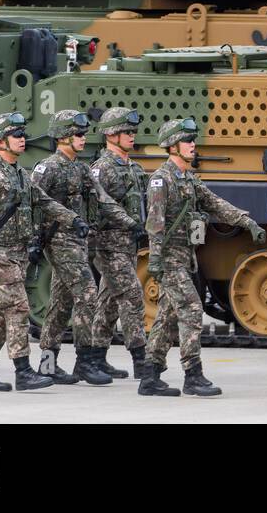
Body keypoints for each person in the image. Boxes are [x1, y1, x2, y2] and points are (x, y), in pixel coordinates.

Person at [144, 117, 266, 397]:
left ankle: (150, 376)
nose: (192, 144)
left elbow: (215, 203)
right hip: (169, 259)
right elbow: (155, 223)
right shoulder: (161, 180)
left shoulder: (188, 178)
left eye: (192, 140)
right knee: (190, 309)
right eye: (186, 140)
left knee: (166, 317)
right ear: (172, 146)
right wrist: (155, 259)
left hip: (186, 257)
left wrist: (247, 222)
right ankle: (193, 375)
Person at [0, 112, 86, 391]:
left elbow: (44, 201)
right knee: (19, 308)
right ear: (0, 141)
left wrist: (73, 219)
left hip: (17, 254)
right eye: (17, 135)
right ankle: (23, 371)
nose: (23, 139)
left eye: (23, 135)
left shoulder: (20, 173)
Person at [34, 109, 134, 386]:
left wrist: (130, 222)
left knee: (60, 304)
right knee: (88, 295)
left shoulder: (81, 168)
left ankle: (47, 365)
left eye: (83, 134)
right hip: (59, 241)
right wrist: (33, 240)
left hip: (78, 242)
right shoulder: (48, 168)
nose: (83, 138)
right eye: (78, 134)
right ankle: (84, 362)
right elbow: (32, 202)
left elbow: (103, 200)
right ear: (63, 137)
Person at [88, 107, 164, 390]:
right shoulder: (101, 169)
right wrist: (130, 223)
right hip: (108, 245)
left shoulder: (133, 167)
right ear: (111, 135)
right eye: (126, 132)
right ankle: (141, 359)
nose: (132, 136)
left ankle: (97, 357)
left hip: (128, 245)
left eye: (133, 131)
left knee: (108, 301)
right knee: (132, 295)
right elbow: (99, 205)